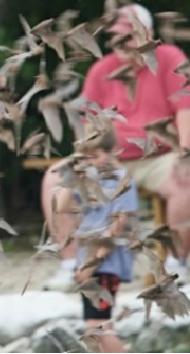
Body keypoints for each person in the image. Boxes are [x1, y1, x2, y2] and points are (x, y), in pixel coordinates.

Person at [48, 3, 190, 289]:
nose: (121, 43)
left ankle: (176, 264)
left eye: (129, 35)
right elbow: (88, 125)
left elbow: (187, 109)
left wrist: (185, 152)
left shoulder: (170, 58)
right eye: (116, 36)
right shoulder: (101, 68)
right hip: (108, 156)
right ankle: (71, 264)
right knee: (55, 178)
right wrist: (90, 158)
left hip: (160, 155)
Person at [50, 131, 137, 353]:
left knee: (96, 326)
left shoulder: (122, 180)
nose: (90, 162)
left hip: (106, 262)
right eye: (85, 157)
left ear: (109, 153)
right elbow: (60, 207)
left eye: (95, 156)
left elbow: (118, 227)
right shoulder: (86, 181)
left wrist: (93, 264)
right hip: (87, 260)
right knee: (100, 325)